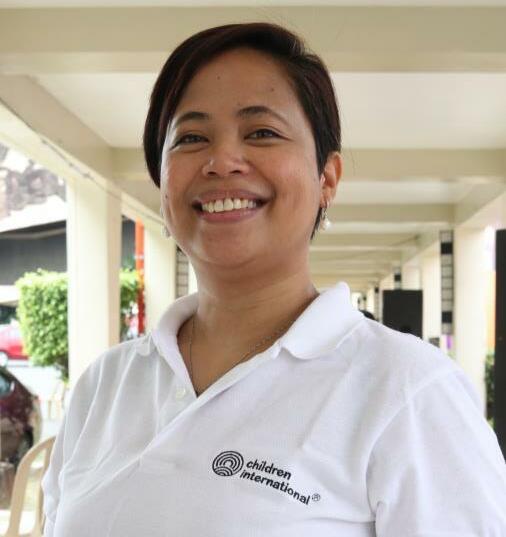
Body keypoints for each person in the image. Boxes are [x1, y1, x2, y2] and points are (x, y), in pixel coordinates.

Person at [41, 23, 506, 536]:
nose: (221, 162)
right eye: (191, 138)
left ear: (326, 178)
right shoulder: (104, 386)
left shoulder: (408, 391)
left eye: (261, 132)